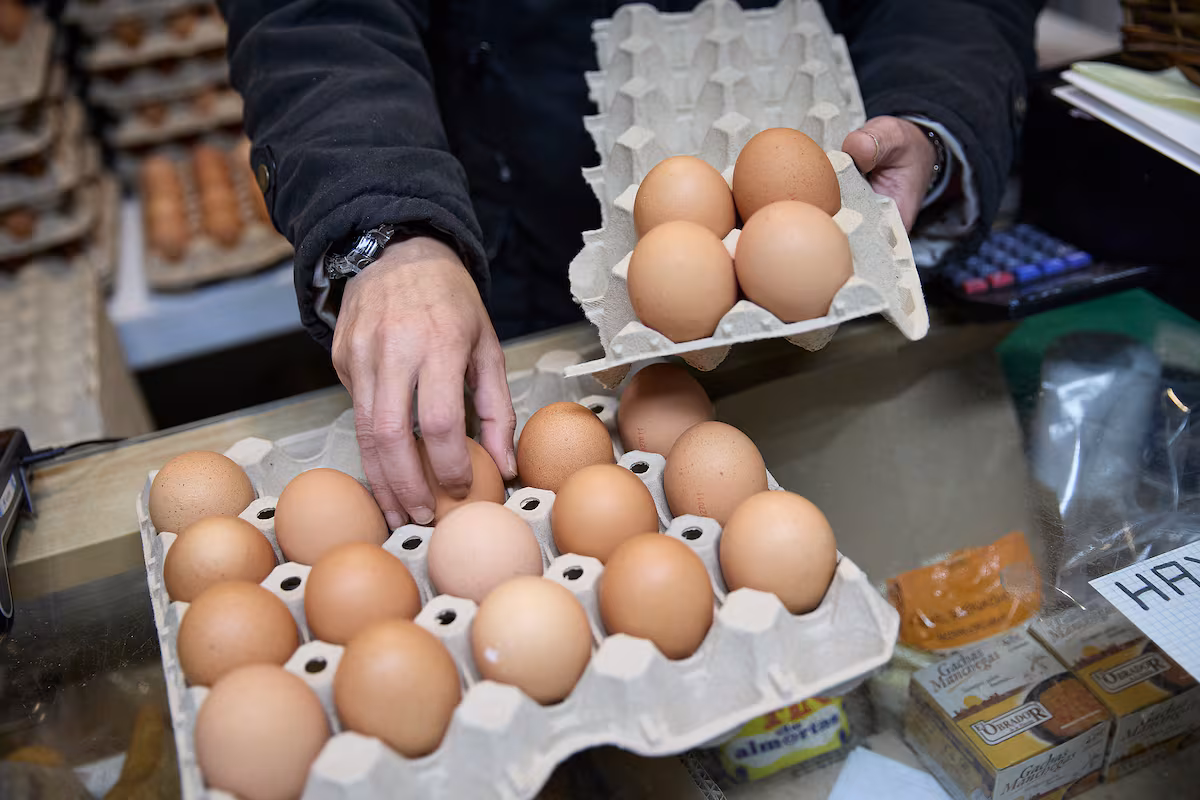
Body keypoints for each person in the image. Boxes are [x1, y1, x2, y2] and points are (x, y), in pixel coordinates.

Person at [218, 0, 1043, 529]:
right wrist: (388, 224)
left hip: (845, 247)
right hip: (511, 252)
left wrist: (935, 119)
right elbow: (315, 13)